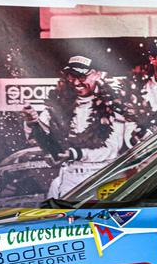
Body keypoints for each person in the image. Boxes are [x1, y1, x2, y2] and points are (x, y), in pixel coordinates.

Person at [22, 55, 137, 199]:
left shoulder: (112, 104)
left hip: (104, 177)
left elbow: (111, 149)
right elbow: (36, 140)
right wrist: (31, 122)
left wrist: (75, 153)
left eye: (82, 76)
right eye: (71, 76)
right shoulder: (58, 103)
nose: (76, 82)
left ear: (97, 74)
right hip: (70, 178)